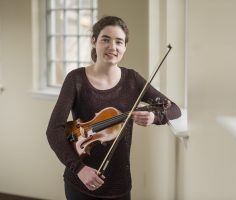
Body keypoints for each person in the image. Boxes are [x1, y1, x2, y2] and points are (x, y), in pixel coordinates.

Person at [46, 15, 181, 200]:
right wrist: (79, 168)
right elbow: (53, 130)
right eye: (106, 40)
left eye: (119, 42)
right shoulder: (76, 79)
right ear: (94, 41)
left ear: (125, 46)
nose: (113, 47)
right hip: (80, 181)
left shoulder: (132, 80)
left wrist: (154, 117)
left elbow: (173, 108)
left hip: (120, 183)